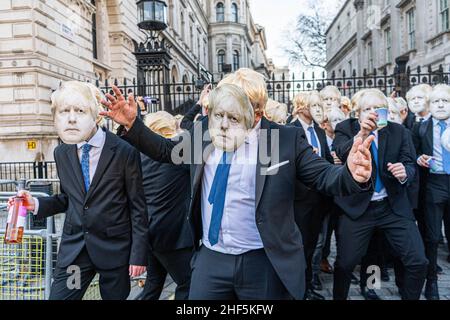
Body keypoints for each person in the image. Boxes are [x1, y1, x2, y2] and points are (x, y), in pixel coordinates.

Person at [100, 67, 374, 300]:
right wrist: (133, 124)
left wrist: (351, 174)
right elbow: (166, 151)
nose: (224, 120)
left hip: (262, 260)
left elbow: (324, 176)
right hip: (211, 258)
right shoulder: (205, 133)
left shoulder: (282, 141)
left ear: (256, 113)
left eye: (234, 113)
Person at [8, 81, 148, 300]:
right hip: (75, 251)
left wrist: (138, 255)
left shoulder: (124, 151)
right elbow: (67, 198)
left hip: (114, 251)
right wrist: (34, 203)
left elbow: (138, 207)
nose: (72, 118)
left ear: (96, 115)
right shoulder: (62, 152)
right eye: (65, 111)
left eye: (80, 111)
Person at [333, 89, 428, 300]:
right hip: (357, 208)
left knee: (417, 261)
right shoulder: (345, 128)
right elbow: (341, 153)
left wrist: (404, 172)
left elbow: (410, 164)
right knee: (346, 262)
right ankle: (344, 295)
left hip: (391, 206)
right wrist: (362, 135)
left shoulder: (398, 132)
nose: (373, 113)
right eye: (368, 109)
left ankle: (374, 289)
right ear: (358, 113)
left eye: (379, 108)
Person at [137, 111, 193, 300]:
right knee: (188, 283)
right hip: (172, 235)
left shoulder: (140, 155)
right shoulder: (178, 154)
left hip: (150, 232)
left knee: (153, 284)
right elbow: (193, 131)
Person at [290, 91, 334, 300]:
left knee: (313, 246)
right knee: (300, 248)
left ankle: (308, 286)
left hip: (319, 198)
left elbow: (324, 161)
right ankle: (298, 290)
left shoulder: (319, 130)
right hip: (300, 200)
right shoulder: (291, 129)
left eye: (320, 105)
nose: (319, 109)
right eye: (314, 105)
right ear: (301, 107)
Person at [413, 84, 450, 300]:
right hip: (434, 184)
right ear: (430, 104)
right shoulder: (421, 128)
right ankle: (431, 283)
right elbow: (414, 152)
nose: (441, 105)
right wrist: (420, 158)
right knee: (433, 236)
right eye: (436, 101)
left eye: (445, 101)